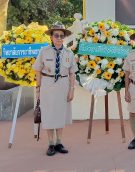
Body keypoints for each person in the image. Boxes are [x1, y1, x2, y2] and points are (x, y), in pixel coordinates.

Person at [33, 22, 78, 156]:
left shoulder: (69, 53)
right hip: (47, 85)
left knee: (60, 114)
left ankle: (59, 142)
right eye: (56, 35)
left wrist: (71, 90)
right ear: (51, 37)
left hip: (63, 85)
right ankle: (51, 144)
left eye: (61, 36)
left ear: (64, 37)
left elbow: (72, 73)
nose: (59, 38)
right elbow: (37, 71)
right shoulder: (43, 51)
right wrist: (38, 90)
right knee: (48, 115)